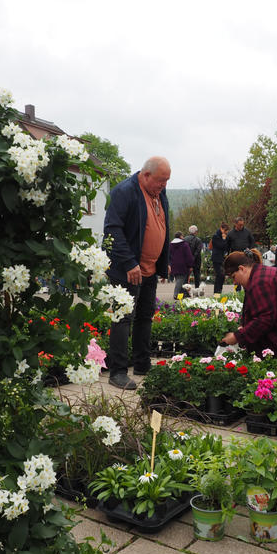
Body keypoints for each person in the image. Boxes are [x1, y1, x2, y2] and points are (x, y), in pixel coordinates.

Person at [103, 156, 171, 389]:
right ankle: (118, 372)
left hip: (149, 270)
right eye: (161, 180)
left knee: (145, 316)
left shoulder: (159, 194)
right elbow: (112, 230)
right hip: (127, 269)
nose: (164, 185)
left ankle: (142, 364)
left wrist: (163, 262)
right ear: (146, 175)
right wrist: (130, 262)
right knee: (122, 318)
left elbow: (163, 227)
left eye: (167, 181)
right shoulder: (125, 191)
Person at [226, 217, 255, 290]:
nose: (241, 226)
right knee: (237, 273)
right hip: (236, 257)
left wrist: (250, 249)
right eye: (240, 225)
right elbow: (227, 246)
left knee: (247, 273)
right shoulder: (230, 234)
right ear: (235, 224)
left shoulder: (247, 232)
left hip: (246, 256)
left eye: (242, 225)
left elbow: (252, 241)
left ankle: (247, 290)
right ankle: (237, 292)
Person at [169, 231, 194, 298]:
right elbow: (188, 255)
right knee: (180, 281)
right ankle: (176, 294)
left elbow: (168, 255)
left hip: (173, 265)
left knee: (178, 280)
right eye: (182, 236)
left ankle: (182, 294)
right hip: (182, 265)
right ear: (180, 236)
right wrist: (190, 265)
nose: (183, 237)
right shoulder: (184, 244)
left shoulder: (170, 244)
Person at [210, 222, 229, 294]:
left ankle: (219, 291)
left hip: (222, 258)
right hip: (216, 258)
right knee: (219, 275)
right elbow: (221, 246)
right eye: (225, 230)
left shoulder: (222, 236)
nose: (226, 232)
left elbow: (225, 247)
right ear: (221, 228)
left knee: (222, 275)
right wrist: (224, 239)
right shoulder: (216, 236)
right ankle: (216, 292)